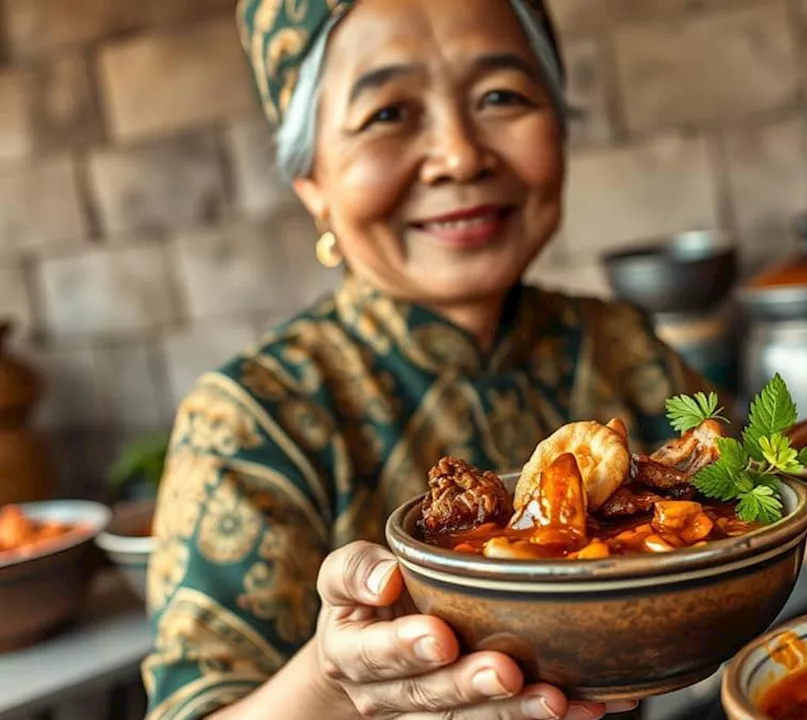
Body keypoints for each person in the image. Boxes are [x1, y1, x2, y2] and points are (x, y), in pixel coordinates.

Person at [141, 0, 719, 718]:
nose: (460, 155)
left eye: (500, 97)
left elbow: (758, 514)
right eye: (387, 114)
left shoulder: (619, 342)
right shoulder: (252, 418)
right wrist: (332, 680)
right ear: (312, 181)